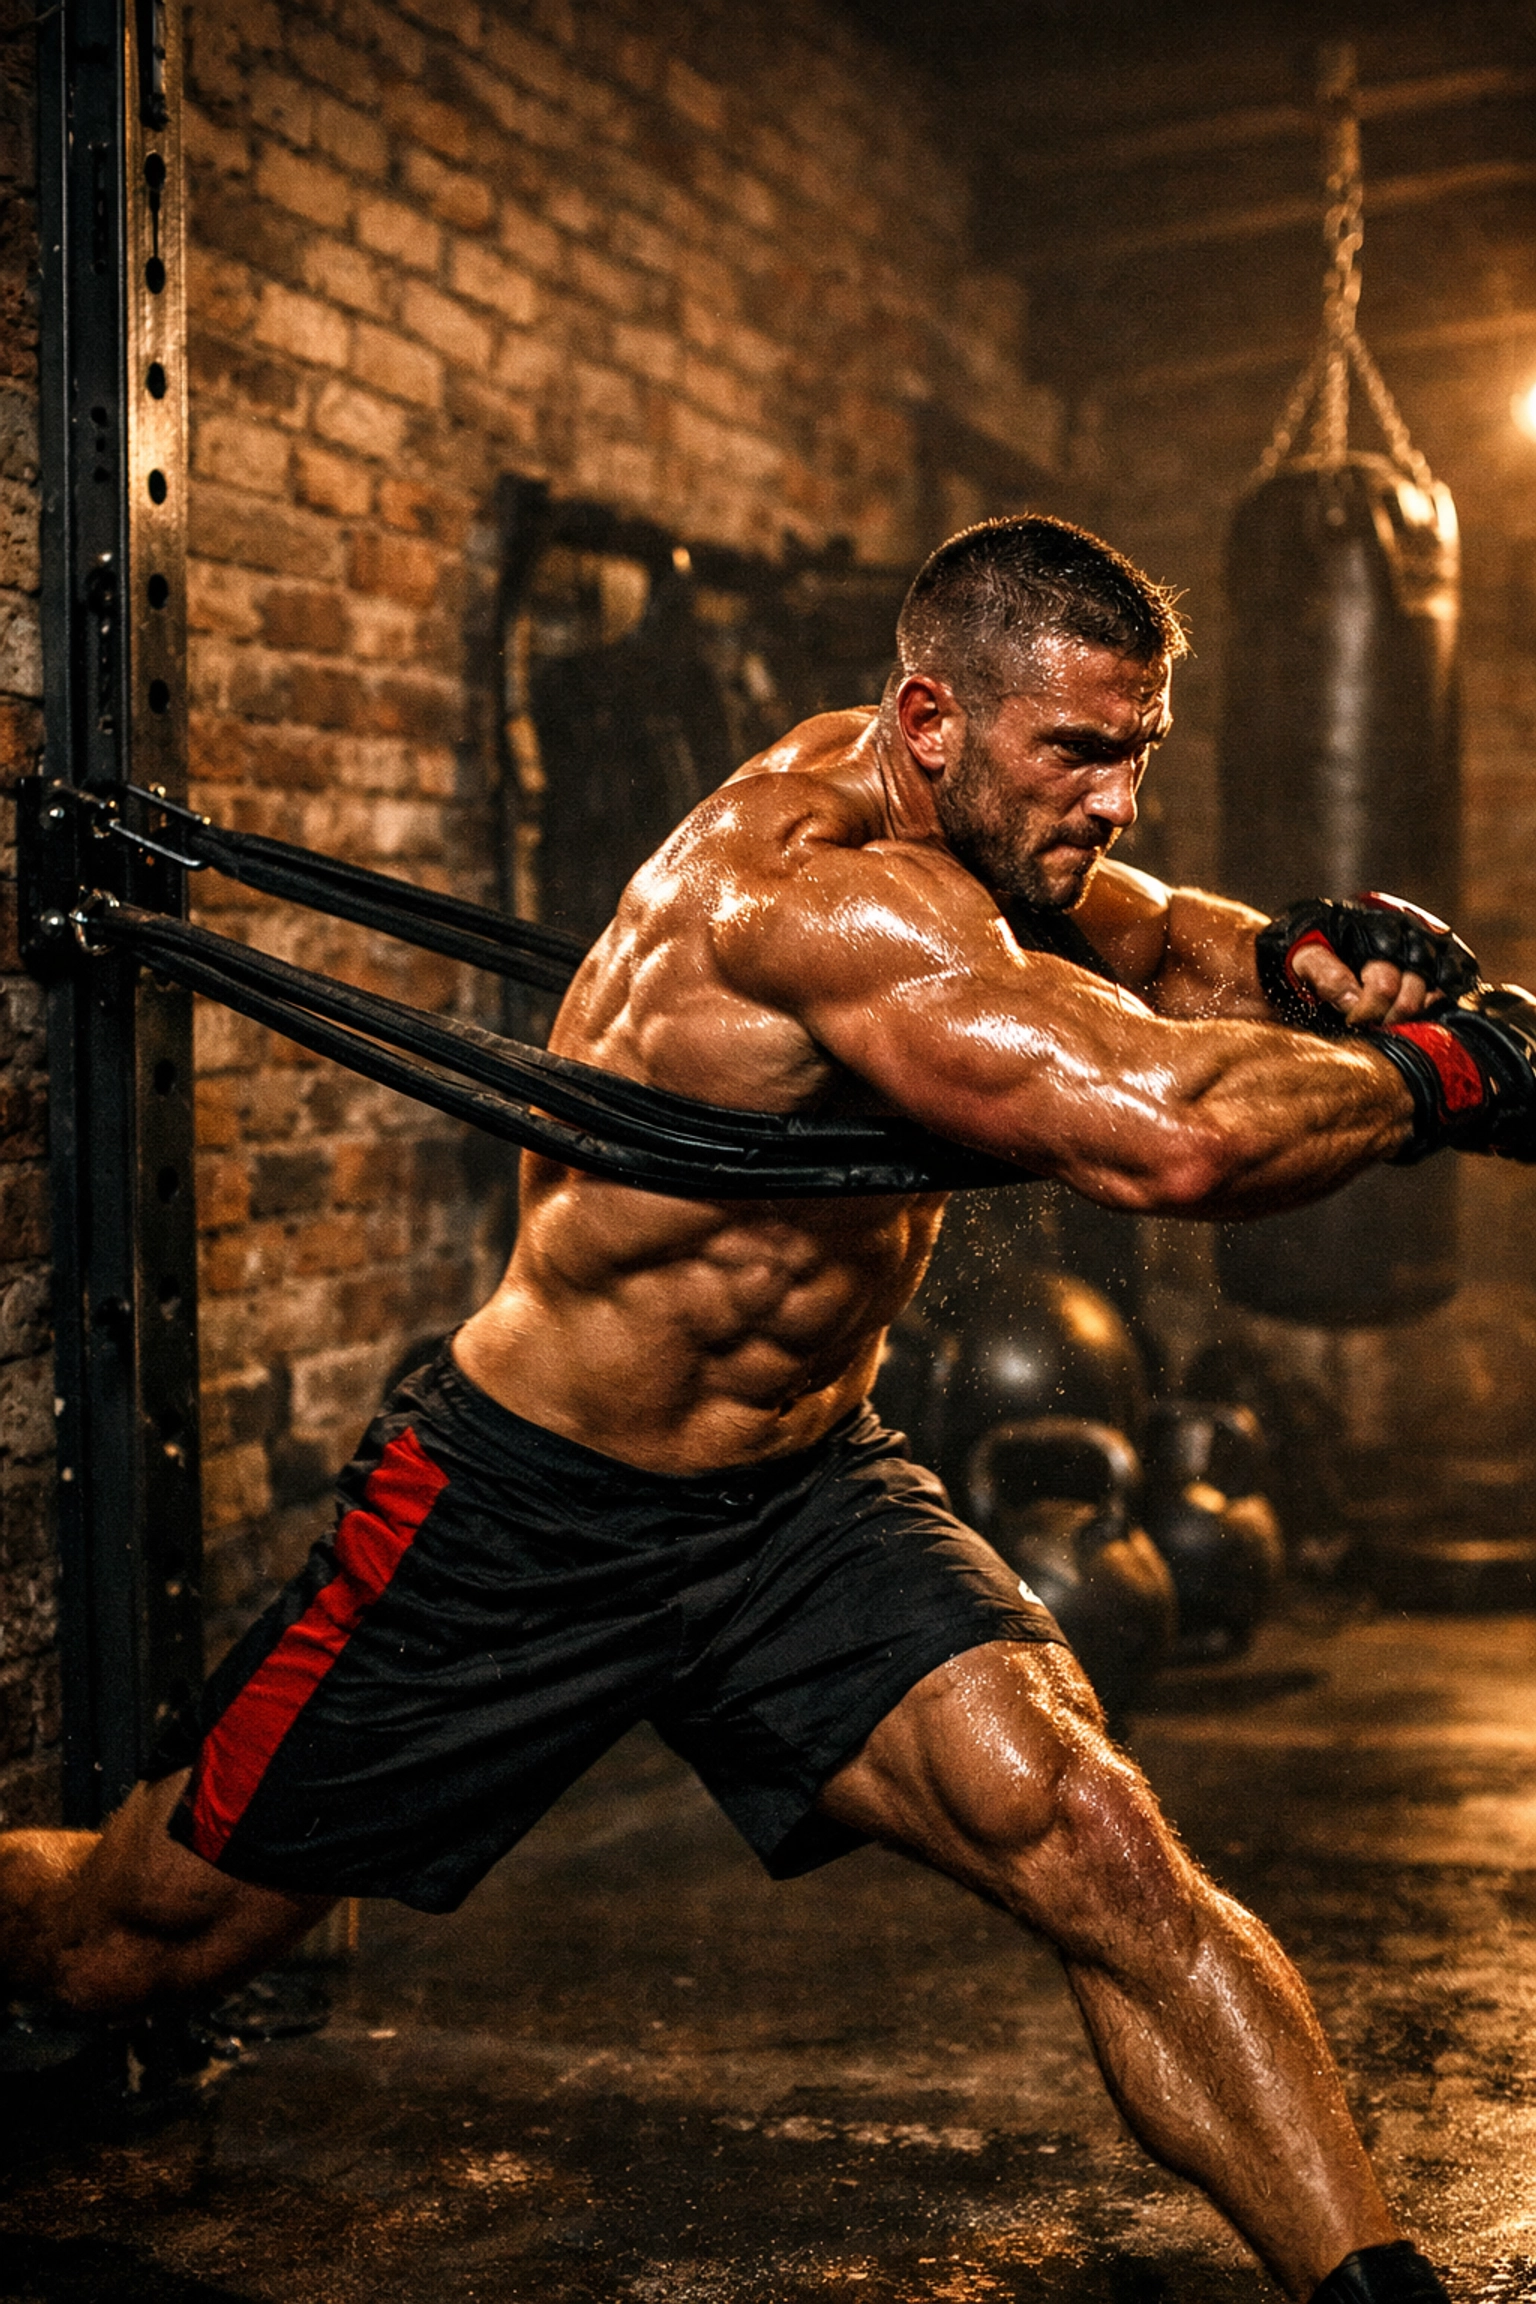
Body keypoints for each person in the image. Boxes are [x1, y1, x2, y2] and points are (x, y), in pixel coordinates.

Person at [5, 514, 1525, 2304]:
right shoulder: (823, 894)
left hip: (804, 1498)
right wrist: (1437, 1079)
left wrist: (1304, 967)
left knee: (1101, 1842)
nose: (1116, 801)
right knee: (132, 1944)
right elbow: (1172, 1138)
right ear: (931, 719)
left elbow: (1169, 944)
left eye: (1137, 753)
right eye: (1080, 753)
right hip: (529, 1506)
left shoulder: (981, 825)